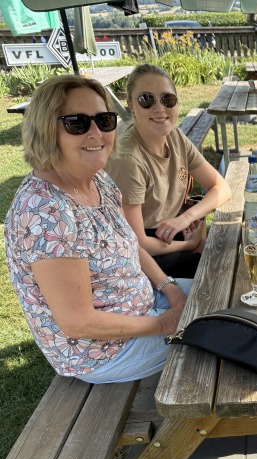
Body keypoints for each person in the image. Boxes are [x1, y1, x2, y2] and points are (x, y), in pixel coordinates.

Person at [4, 75, 192, 384]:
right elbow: (78, 322)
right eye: (77, 123)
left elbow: (128, 242)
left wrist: (169, 287)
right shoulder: (45, 211)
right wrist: (164, 323)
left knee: (216, 295)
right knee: (213, 337)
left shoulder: (96, 179)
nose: (97, 133)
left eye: (104, 120)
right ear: (45, 129)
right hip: (104, 352)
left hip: (144, 307)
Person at [105, 64, 231, 279]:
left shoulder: (175, 137)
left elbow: (222, 188)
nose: (159, 108)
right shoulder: (128, 160)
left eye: (167, 99)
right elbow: (137, 243)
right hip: (141, 252)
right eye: (146, 100)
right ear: (131, 106)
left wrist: (185, 219)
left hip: (170, 230)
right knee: (216, 270)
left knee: (228, 250)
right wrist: (188, 245)